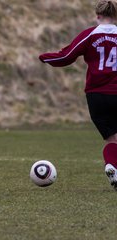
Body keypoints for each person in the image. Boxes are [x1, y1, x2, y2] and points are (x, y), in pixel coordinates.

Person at [39, 0, 117, 190]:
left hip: (96, 96)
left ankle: (111, 166)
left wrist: (45, 57)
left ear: (97, 15)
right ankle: (112, 165)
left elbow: (66, 57)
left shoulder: (90, 35)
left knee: (112, 139)